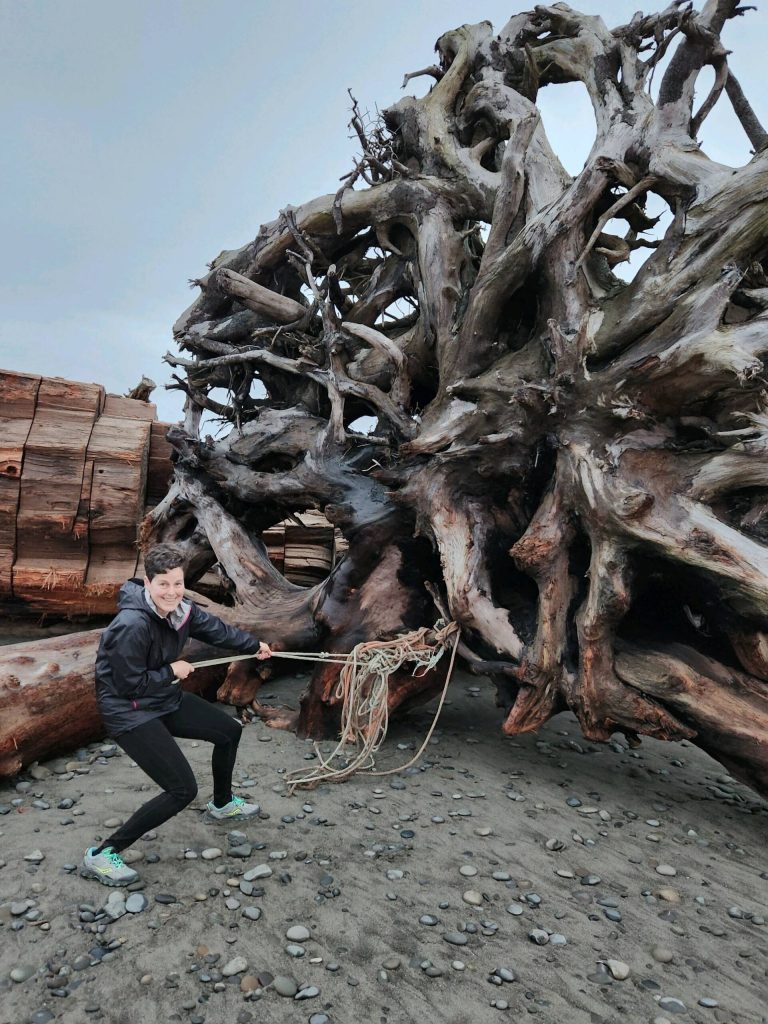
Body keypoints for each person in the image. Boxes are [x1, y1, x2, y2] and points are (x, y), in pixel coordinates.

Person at [81, 543, 271, 887]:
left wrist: (253, 645)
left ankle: (223, 804)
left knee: (229, 730)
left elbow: (215, 628)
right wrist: (171, 670)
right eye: (163, 584)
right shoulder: (131, 624)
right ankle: (103, 855)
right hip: (129, 711)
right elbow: (127, 686)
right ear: (147, 582)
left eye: (178, 583)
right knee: (181, 790)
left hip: (161, 698)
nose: (172, 592)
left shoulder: (182, 610)